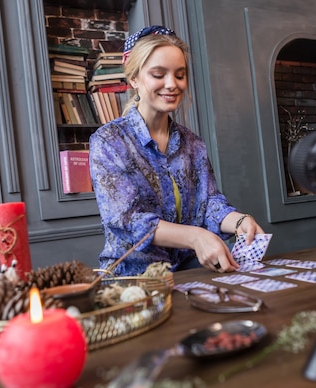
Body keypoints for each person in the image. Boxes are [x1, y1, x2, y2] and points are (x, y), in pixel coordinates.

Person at [89, 25, 265, 277]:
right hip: (132, 280)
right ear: (134, 79)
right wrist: (195, 237)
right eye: (158, 74)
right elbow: (126, 221)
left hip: (189, 273)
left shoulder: (193, 143)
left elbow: (209, 204)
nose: (171, 84)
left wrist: (239, 221)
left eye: (180, 75)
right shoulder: (108, 141)